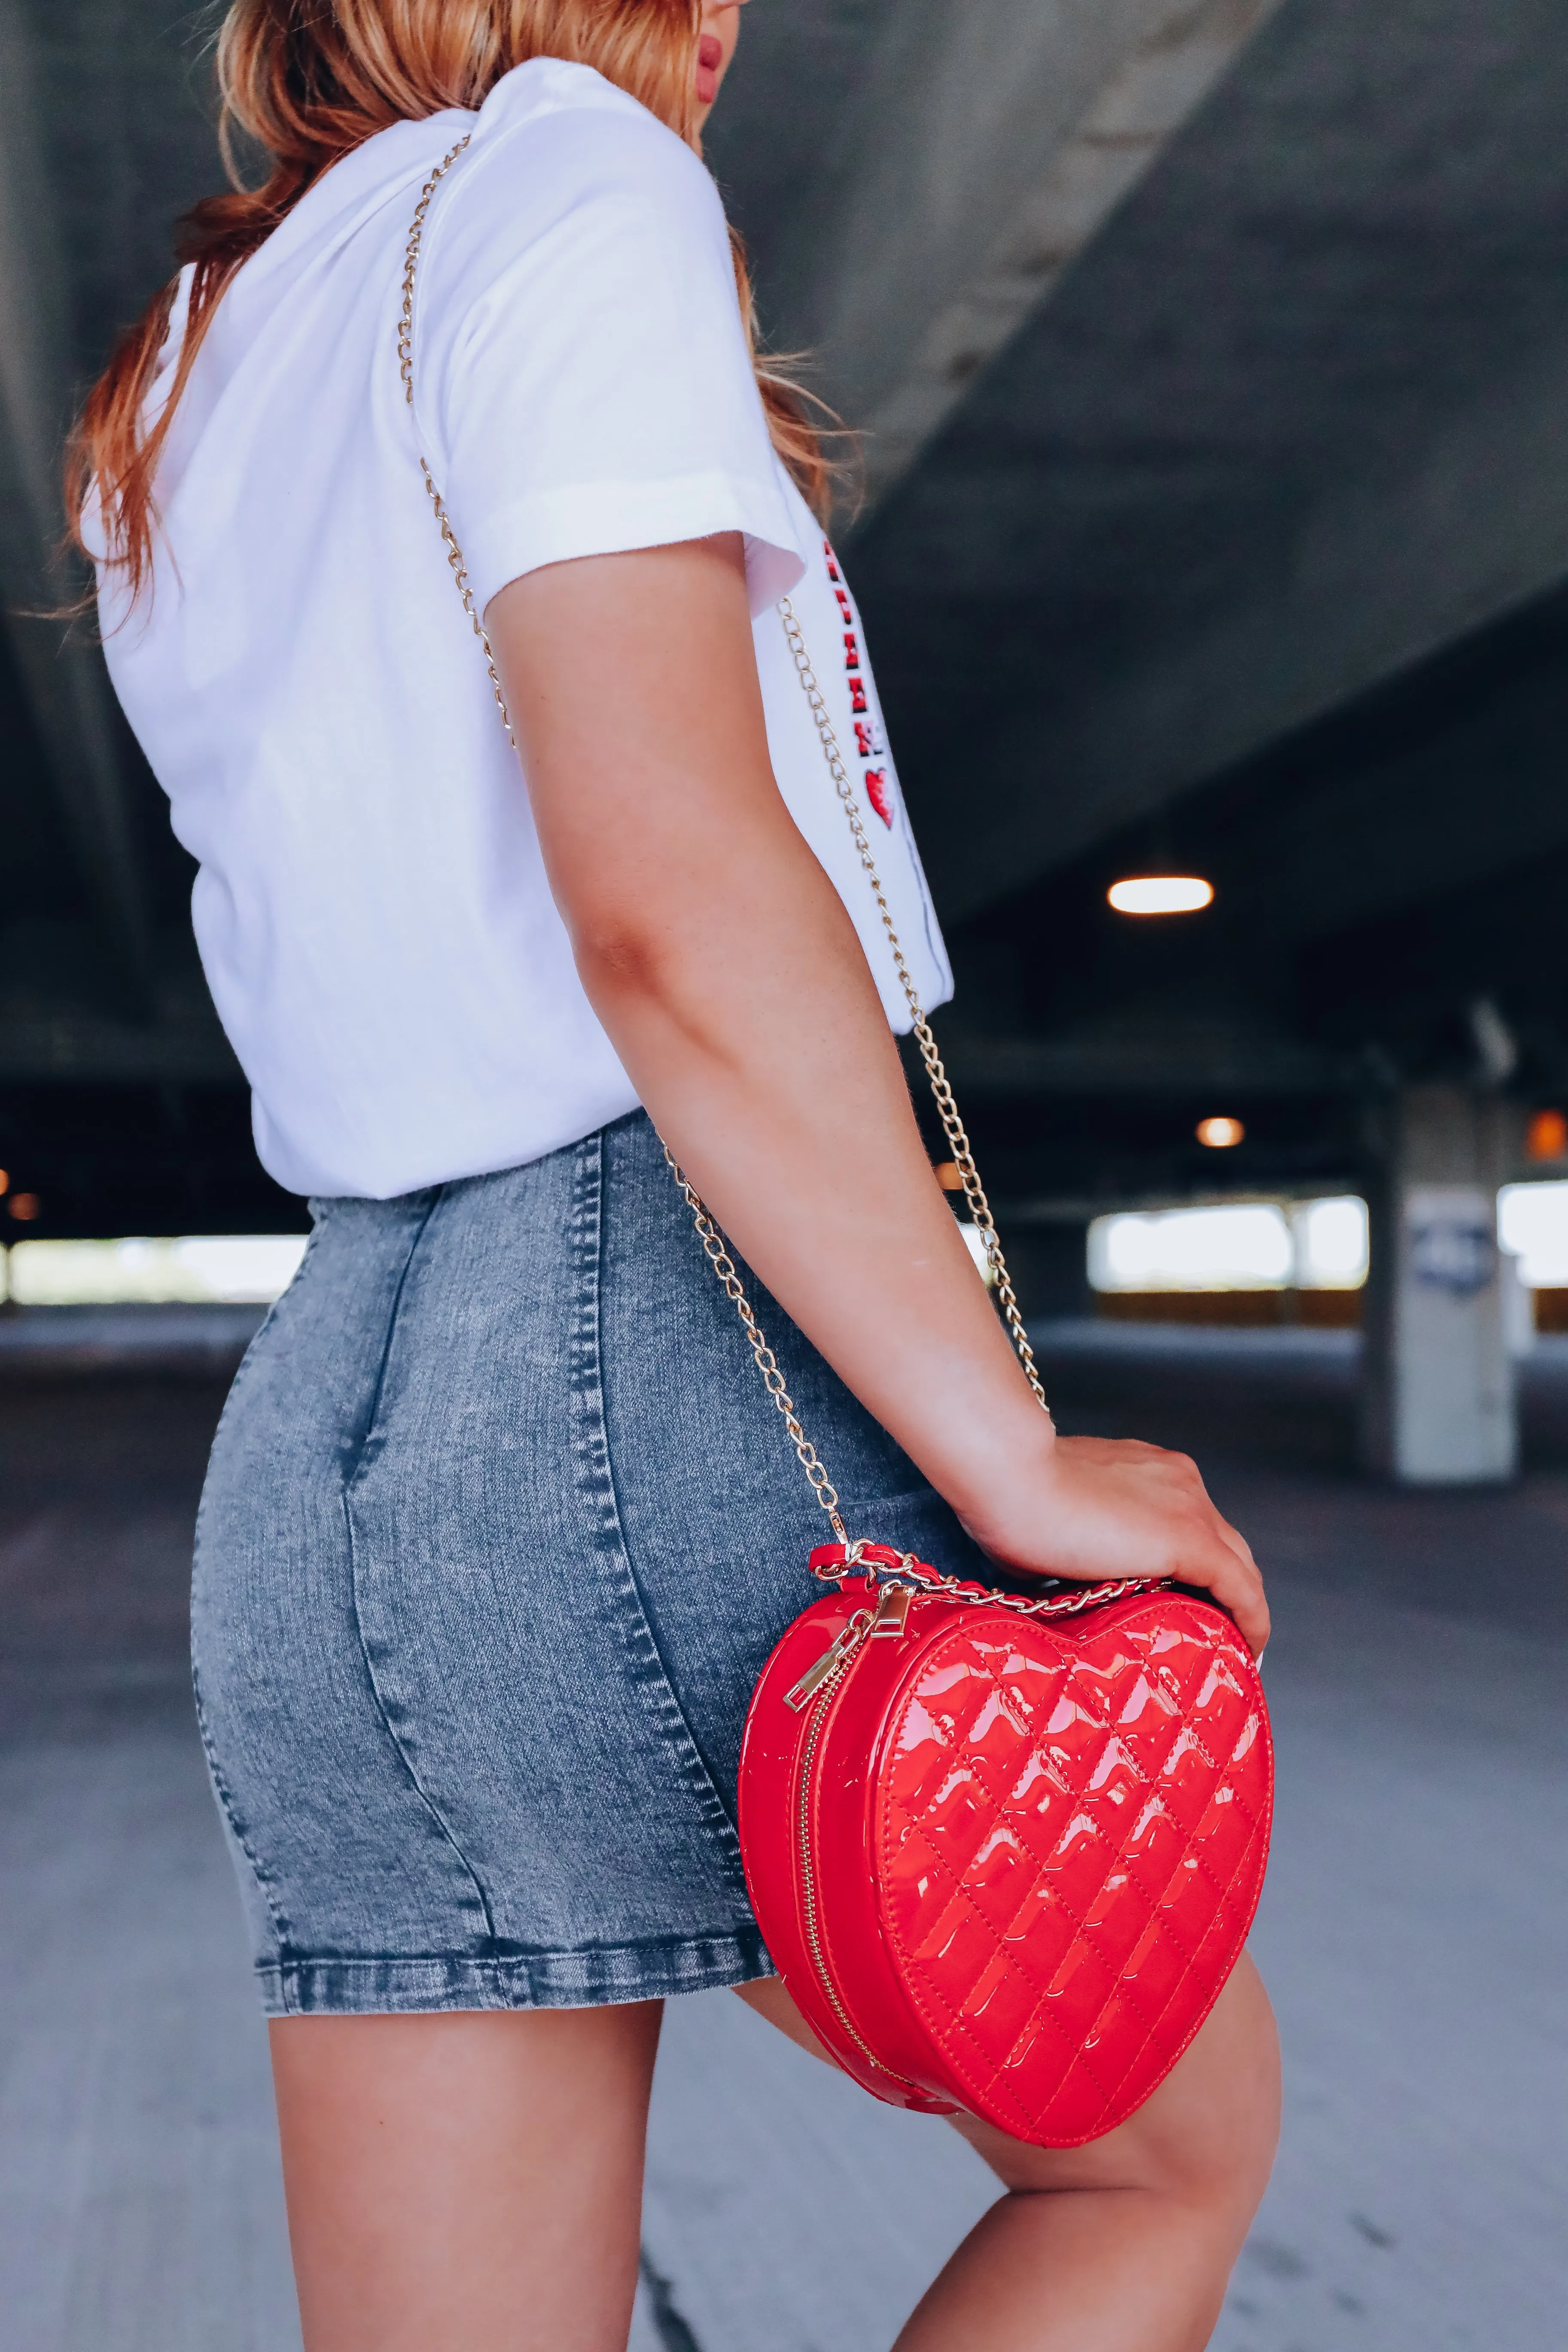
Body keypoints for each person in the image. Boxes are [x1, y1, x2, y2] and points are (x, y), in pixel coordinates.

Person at [75, 3, 1279, 2345]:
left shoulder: (203, 347)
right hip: (642, 1346)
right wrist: (1006, 1453)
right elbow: (667, 899)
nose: (725, 10)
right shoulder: (566, 177)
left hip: (329, 1452)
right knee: (1159, 2164)